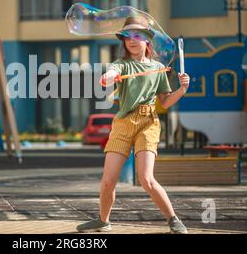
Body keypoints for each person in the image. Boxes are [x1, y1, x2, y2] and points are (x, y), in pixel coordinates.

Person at [76, 16, 190, 234]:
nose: (132, 40)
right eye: (127, 36)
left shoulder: (158, 68)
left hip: (148, 123)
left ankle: (173, 219)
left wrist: (181, 90)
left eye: (137, 36)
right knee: (108, 181)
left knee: (146, 179)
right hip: (123, 123)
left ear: (147, 40)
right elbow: (112, 73)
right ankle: (103, 220)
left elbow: (165, 101)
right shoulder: (122, 64)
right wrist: (108, 77)